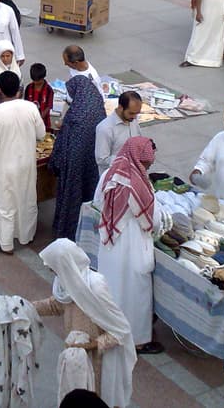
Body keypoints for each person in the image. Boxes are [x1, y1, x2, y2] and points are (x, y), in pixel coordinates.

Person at [34, 240, 136, 408]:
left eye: (54, 268)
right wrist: (25, 306)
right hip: (76, 357)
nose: (53, 272)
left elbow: (121, 330)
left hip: (98, 359)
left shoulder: (95, 286)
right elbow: (57, 305)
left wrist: (93, 345)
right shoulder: (66, 284)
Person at [94, 135, 166, 355]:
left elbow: (97, 202)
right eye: (147, 163)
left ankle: (108, 330)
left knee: (111, 290)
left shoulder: (109, 174)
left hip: (110, 246)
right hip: (134, 249)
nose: (148, 167)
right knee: (136, 295)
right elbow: (153, 220)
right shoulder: (139, 183)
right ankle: (137, 341)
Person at [0, 71, 45, 254]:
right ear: (18, 88)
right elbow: (41, 134)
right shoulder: (31, 108)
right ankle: (26, 236)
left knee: (4, 205)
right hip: (27, 165)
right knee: (27, 200)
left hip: (3, 168)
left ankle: (6, 245)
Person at [50, 75, 103, 240]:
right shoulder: (98, 108)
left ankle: (67, 232)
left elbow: (63, 144)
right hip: (93, 164)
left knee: (71, 199)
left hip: (73, 167)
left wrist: (54, 163)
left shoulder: (74, 116)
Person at [94, 92, 144, 176]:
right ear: (120, 107)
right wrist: (126, 160)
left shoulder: (132, 120)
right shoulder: (105, 128)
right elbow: (101, 159)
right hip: (113, 177)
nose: (135, 117)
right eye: (131, 113)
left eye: (137, 113)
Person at [24, 62, 53, 132]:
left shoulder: (49, 90)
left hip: (44, 122)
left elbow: (48, 106)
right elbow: (25, 104)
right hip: (30, 120)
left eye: (38, 81)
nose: (36, 83)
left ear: (43, 77)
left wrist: (39, 118)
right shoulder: (28, 88)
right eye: (34, 80)